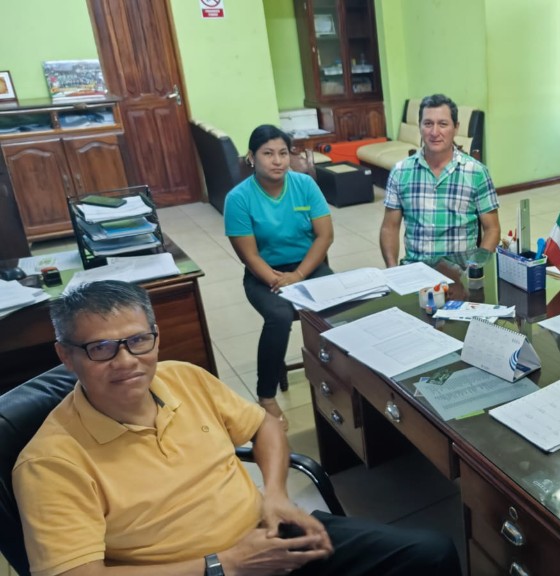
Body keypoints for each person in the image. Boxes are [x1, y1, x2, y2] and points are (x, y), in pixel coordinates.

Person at [13, 280, 460, 576]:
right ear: (65, 355)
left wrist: (277, 495)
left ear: (155, 335)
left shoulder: (182, 377)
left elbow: (264, 425)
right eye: (101, 348)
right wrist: (222, 564)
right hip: (200, 570)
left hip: (268, 536)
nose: (127, 361)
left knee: (430, 553)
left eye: (138, 340)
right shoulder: (50, 462)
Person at [224, 125, 334, 429]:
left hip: (308, 266)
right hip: (264, 273)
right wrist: (279, 280)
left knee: (341, 305)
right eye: (268, 154)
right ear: (252, 157)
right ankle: (266, 395)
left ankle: (342, 374)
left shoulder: (305, 186)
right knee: (279, 316)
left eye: (283, 153)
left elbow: (324, 237)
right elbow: (250, 255)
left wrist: (298, 274)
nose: (277, 161)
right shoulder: (238, 198)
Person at [379, 94, 500, 267]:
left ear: (456, 127)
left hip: (462, 271)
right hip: (416, 269)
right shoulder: (400, 172)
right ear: (419, 127)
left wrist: (474, 269)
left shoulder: (476, 172)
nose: (434, 132)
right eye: (428, 124)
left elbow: (492, 229)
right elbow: (389, 227)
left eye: (443, 124)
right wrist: (393, 271)